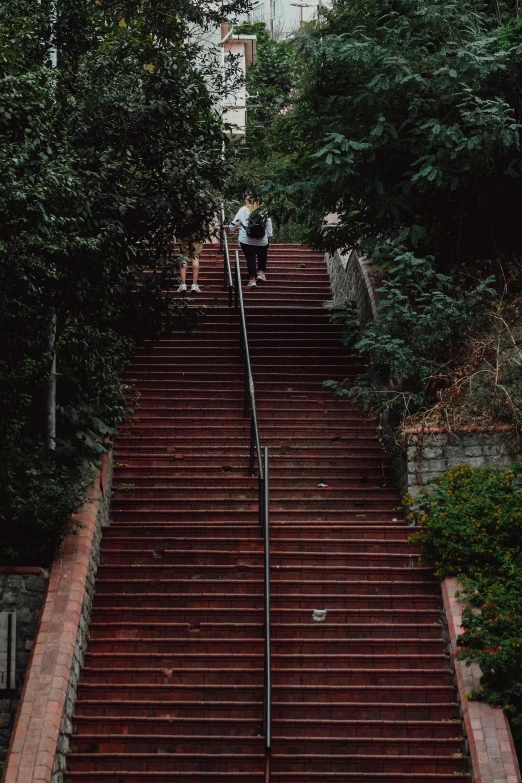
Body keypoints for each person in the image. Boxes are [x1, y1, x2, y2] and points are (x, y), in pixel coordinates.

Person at [228, 195, 273, 287]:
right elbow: (268, 226)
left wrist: (229, 228)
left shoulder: (243, 210)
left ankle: (252, 280)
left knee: (250, 259)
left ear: (248, 201)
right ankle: (260, 273)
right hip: (261, 239)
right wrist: (269, 240)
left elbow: (235, 223)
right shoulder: (264, 210)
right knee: (262, 255)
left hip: (246, 240)